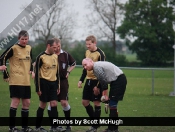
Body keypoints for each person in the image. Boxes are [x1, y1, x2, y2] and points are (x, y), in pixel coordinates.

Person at [0, 30, 34, 132]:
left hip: (26, 80)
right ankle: (11, 127)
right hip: (16, 80)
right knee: (15, 102)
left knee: (27, 102)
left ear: (28, 39)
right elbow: (2, 59)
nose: (24, 41)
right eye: (22, 39)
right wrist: (5, 74)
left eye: (26, 39)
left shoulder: (29, 48)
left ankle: (24, 127)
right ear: (18, 39)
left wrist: (32, 70)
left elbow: (31, 60)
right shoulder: (13, 48)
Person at [82, 58, 127, 132]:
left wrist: (105, 95)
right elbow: (102, 81)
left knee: (112, 105)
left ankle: (111, 129)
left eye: (85, 65)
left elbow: (104, 82)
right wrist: (99, 89)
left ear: (91, 61)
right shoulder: (96, 67)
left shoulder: (96, 67)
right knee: (112, 105)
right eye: (83, 66)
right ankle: (114, 129)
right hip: (116, 81)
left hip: (118, 81)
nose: (85, 67)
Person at [77, 35, 106, 132]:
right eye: (87, 44)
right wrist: (81, 80)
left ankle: (94, 127)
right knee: (84, 102)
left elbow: (103, 71)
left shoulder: (100, 53)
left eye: (89, 44)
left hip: (97, 81)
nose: (88, 46)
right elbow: (85, 68)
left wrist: (98, 86)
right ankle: (95, 123)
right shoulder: (87, 52)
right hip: (89, 80)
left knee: (96, 103)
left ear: (95, 43)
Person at [47, 38, 76, 132]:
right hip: (51, 81)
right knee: (52, 103)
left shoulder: (66, 55)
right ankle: (54, 126)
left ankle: (68, 125)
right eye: (56, 47)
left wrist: (68, 71)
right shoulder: (49, 54)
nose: (57, 49)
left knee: (64, 102)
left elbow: (74, 63)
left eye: (59, 46)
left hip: (63, 81)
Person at [34, 39, 59, 132]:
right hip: (44, 83)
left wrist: (58, 86)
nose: (56, 49)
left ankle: (54, 127)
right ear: (48, 46)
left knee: (54, 104)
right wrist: (38, 88)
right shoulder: (40, 57)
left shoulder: (55, 56)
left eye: (57, 47)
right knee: (42, 105)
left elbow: (57, 73)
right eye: (54, 47)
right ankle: (37, 127)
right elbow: (36, 74)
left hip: (53, 83)